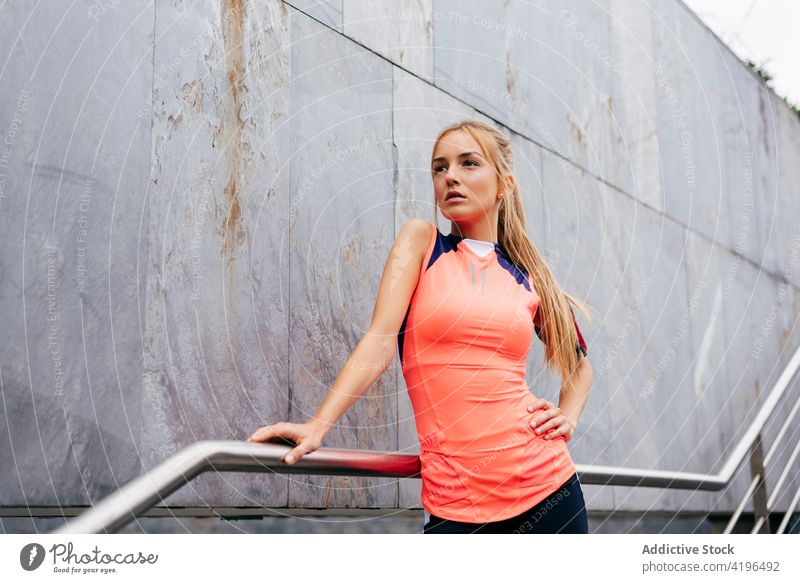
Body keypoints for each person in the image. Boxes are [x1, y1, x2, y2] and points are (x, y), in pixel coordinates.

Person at [248, 119, 594, 534]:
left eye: (469, 164)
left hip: (549, 490)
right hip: (456, 503)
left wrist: (568, 418)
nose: (450, 177)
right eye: (439, 167)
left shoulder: (529, 278)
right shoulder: (423, 243)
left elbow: (579, 367)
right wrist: (318, 424)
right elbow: (378, 342)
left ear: (504, 185)